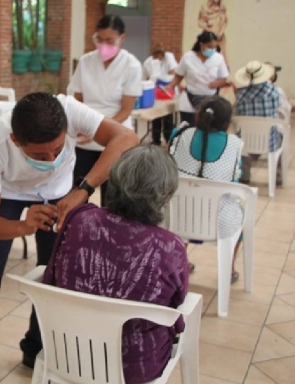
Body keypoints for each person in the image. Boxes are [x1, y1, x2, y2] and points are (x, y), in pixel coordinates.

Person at [0, 92, 139, 384]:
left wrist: (82, 189)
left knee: (53, 276)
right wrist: (22, 226)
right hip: (9, 193)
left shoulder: (67, 110)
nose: (52, 160)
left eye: (57, 150)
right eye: (39, 155)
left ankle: (35, 347)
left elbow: (126, 138)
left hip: (59, 192)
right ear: (16, 141)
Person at [43, 145, 188, 384]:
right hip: (133, 368)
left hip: (69, 352)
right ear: (165, 193)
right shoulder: (170, 247)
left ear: (116, 179)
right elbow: (176, 309)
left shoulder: (80, 219)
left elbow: (52, 278)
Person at [68, 15, 142, 206]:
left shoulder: (131, 65)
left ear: (122, 38)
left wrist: (97, 131)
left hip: (115, 136)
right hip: (84, 137)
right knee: (78, 193)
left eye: (109, 41)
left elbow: (126, 109)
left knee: (112, 199)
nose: (103, 45)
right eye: (99, 40)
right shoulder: (85, 62)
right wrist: (81, 127)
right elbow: (76, 99)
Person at [169, 96, 243, 283]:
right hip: (218, 223)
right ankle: (229, 269)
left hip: (175, 217)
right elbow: (234, 181)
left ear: (199, 116)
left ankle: (180, 261)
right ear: (227, 122)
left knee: (186, 201)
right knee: (241, 213)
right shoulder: (234, 144)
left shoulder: (179, 134)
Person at [165, 31, 229, 127]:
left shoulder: (218, 58)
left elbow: (223, 78)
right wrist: (170, 86)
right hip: (190, 97)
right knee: (188, 126)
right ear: (201, 45)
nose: (212, 50)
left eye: (214, 47)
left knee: (206, 127)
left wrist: (216, 83)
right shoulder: (188, 57)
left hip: (209, 98)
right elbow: (179, 75)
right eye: (209, 47)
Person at [233, 61, 282, 184]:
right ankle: (278, 177)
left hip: (246, 142)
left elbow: (237, 115)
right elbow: (277, 110)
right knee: (281, 136)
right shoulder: (274, 92)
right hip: (269, 142)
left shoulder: (241, 94)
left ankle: (244, 175)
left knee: (242, 135)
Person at [143, 44, 178, 145]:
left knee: (167, 115)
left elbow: (173, 72)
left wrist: (162, 80)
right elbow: (145, 78)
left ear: (163, 55)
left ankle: (168, 139)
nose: (158, 59)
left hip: (167, 91)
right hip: (155, 91)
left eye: (160, 57)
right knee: (156, 116)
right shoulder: (147, 62)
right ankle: (156, 139)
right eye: (155, 57)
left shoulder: (169, 57)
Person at [198, 0, 228, 64]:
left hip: (219, 38)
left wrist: (219, 33)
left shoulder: (222, 9)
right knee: (206, 58)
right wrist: (209, 31)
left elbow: (224, 22)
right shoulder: (205, 8)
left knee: (220, 59)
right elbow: (200, 22)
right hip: (208, 37)